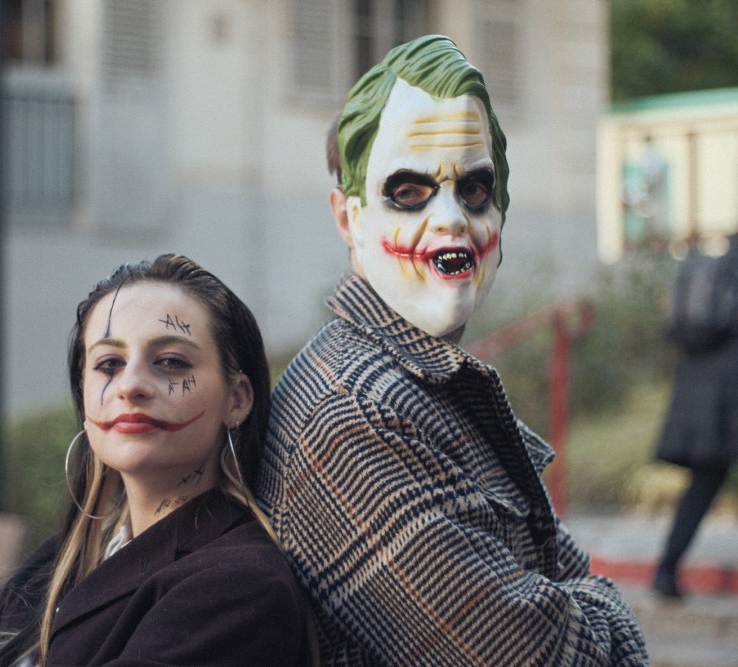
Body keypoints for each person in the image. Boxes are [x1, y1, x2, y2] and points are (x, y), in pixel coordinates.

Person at [256, 35, 649, 665]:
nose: (451, 220)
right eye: (409, 191)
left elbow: (559, 573)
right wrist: (600, 613)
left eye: (474, 189)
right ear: (348, 218)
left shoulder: (423, 383)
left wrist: (574, 605)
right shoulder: (355, 414)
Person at [0, 254, 313, 666]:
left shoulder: (240, 585)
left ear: (237, 399)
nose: (130, 386)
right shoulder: (58, 563)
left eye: (171, 362)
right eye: (109, 364)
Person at [652, 233, 738, 599]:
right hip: (729, 389)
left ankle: (666, 570)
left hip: (698, 393)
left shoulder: (710, 269)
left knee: (703, 483)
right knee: (706, 482)